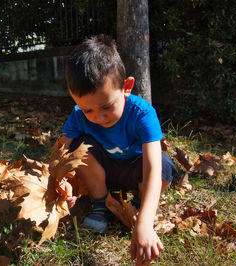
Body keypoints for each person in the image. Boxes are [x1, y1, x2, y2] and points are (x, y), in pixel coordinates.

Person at [59, 34, 177, 265]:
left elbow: (152, 166)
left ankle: (140, 207)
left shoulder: (143, 113)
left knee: (163, 166)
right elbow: (62, 150)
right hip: (103, 171)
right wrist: (62, 178)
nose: (98, 117)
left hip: (136, 171)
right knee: (77, 147)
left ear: (127, 87)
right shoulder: (78, 115)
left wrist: (144, 222)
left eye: (106, 107)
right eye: (87, 111)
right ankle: (102, 203)